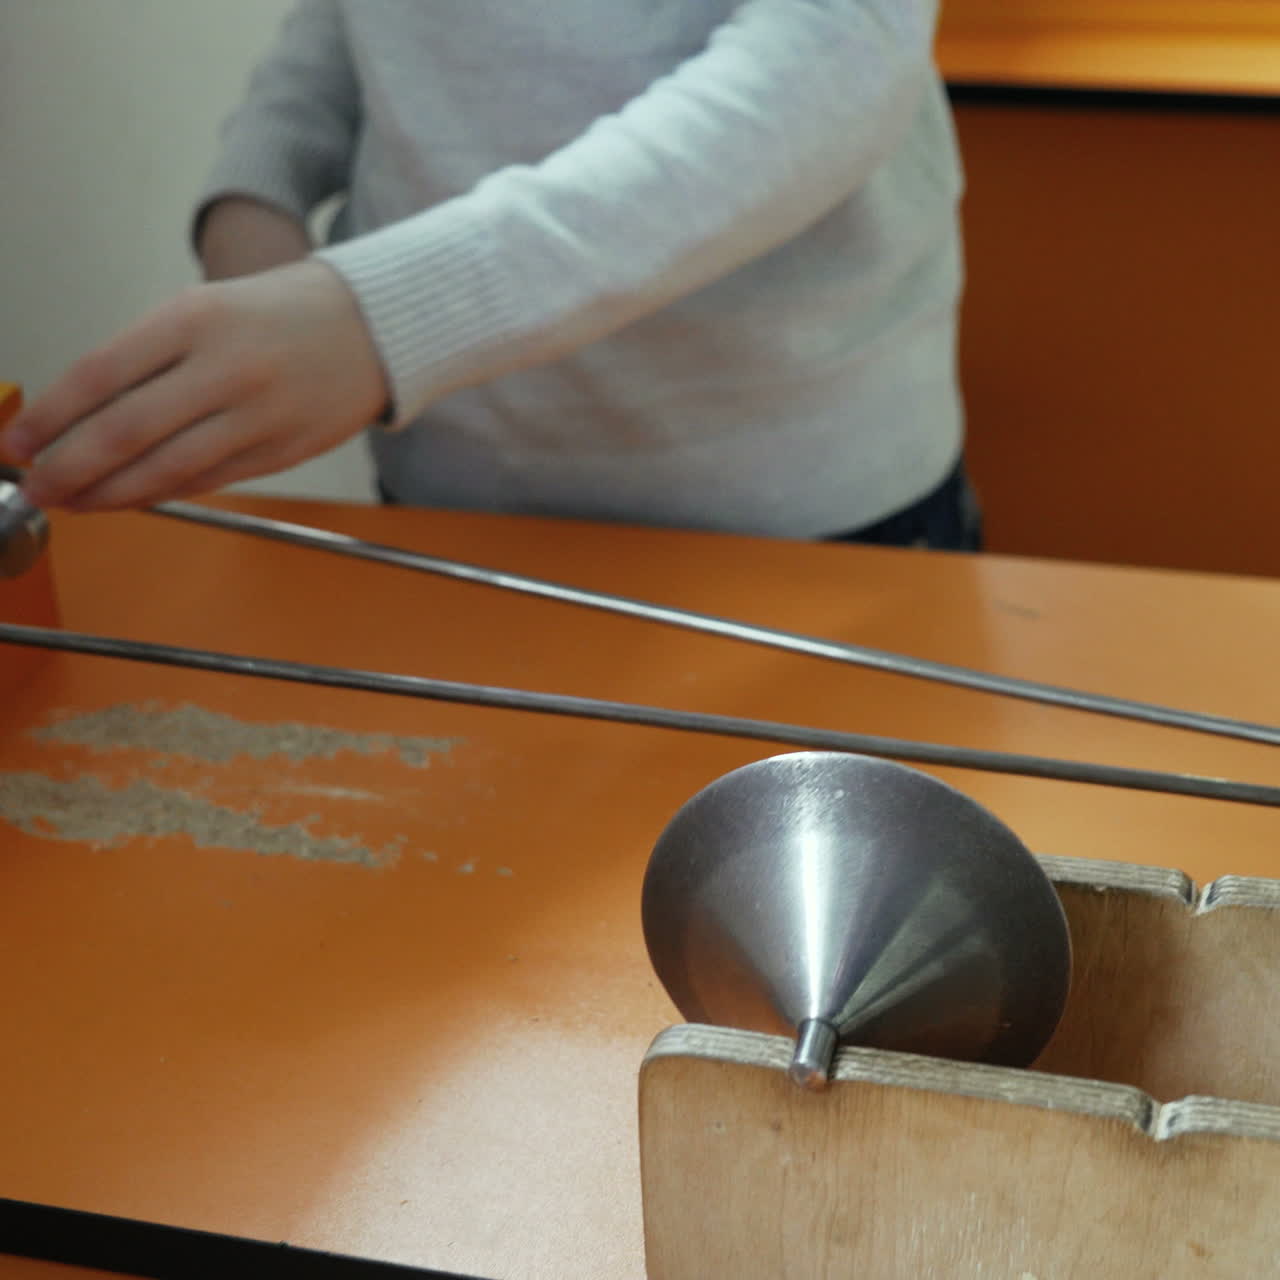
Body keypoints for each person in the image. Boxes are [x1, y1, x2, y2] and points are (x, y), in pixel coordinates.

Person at [2, 1, 979, 549]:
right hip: (452, 491)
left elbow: (838, 53)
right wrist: (257, 193)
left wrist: (385, 315)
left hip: (805, 511)